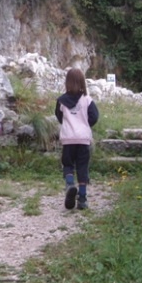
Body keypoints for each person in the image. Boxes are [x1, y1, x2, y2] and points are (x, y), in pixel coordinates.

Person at [55, 68, 99, 210]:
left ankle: (69, 185)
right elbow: (94, 117)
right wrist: (84, 125)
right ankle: (82, 199)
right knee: (82, 167)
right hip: (83, 139)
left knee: (67, 164)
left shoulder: (61, 101)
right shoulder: (87, 100)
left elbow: (59, 117)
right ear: (82, 82)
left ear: (67, 82)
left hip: (68, 138)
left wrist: (69, 125)